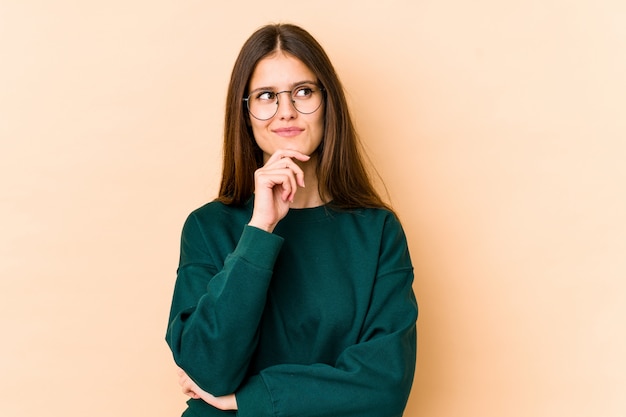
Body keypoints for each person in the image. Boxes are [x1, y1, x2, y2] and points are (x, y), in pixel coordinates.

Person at [165, 23, 418, 417]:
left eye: (304, 92)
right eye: (267, 96)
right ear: (245, 112)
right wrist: (259, 230)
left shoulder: (377, 231)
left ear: (327, 102)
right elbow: (208, 369)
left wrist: (247, 400)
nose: (287, 111)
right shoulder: (207, 228)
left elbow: (385, 385)